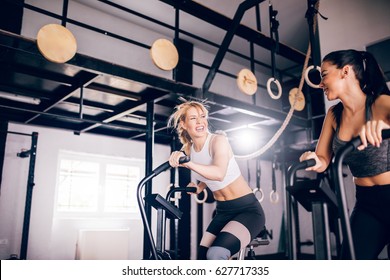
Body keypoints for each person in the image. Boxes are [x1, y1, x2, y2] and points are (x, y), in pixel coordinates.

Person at [299, 49, 390, 259]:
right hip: (367, 204)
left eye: (324, 75)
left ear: (345, 71)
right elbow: (323, 159)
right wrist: (313, 159)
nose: (320, 83)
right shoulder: (333, 115)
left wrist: (380, 125)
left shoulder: (380, 103)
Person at [168, 100, 265, 260]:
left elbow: (219, 173)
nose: (200, 121)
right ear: (184, 124)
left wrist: (189, 163)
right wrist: (198, 187)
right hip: (223, 211)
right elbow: (206, 171)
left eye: (202, 116)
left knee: (216, 253)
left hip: (247, 210)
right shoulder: (188, 149)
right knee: (202, 258)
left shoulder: (218, 141)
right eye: (193, 118)